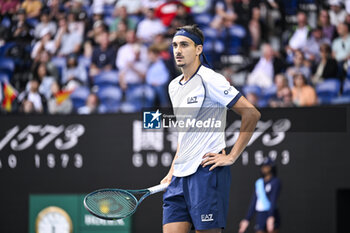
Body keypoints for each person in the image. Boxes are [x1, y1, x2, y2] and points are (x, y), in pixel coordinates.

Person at [161, 25, 261, 233]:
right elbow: (185, 134)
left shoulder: (211, 79)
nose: (178, 50)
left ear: (198, 49)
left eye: (184, 45)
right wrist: (172, 170)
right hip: (179, 177)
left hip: (205, 173)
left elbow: (251, 113)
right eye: (175, 45)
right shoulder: (173, 86)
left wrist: (232, 156)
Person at [238, 157, 281, 233]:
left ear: (271, 167)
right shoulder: (259, 183)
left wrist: (271, 216)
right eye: (263, 166)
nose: (264, 168)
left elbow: (273, 199)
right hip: (260, 214)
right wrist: (247, 219)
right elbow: (254, 201)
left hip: (272, 212)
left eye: (266, 166)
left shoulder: (275, 182)